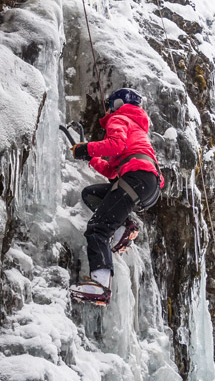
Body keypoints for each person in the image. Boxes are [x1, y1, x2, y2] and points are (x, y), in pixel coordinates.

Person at [68, 88, 164, 306]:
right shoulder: (137, 129)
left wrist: (86, 148)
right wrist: (90, 157)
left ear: (119, 103)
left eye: (110, 104)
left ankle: (100, 286)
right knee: (90, 194)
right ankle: (124, 228)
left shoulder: (120, 118)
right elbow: (112, 171)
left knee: (98, 229)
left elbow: (115, 145)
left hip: (136, 178)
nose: (108, 109)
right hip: (149, 185)